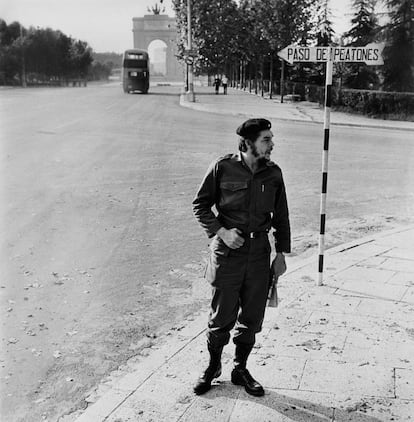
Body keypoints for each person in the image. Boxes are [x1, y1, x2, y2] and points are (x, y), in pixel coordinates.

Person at [192, 118, 291, 397]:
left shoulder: (274, 174)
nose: (272, 145)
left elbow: (281, 216)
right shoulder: (222, 167)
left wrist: (280, 254)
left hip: (259, 255)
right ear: (249, 143)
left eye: (271, 139)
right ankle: (213, 368)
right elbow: (200, 205)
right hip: (228, 254)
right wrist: (221, 232)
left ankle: (240, 368)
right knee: (221, 316)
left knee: (252, 316)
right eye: (266, 140)